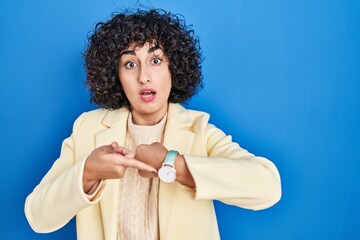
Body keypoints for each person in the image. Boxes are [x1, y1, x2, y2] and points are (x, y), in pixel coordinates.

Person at [25, 8, 281, 240]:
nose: (144, 77)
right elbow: (38, 218)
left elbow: (268, 188)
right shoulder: (88, 129)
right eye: (130, 64)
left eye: (156, 61)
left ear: (174, 68)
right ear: (116, 76)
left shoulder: (199, 130)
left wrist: (172, 163)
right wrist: (88, 173)